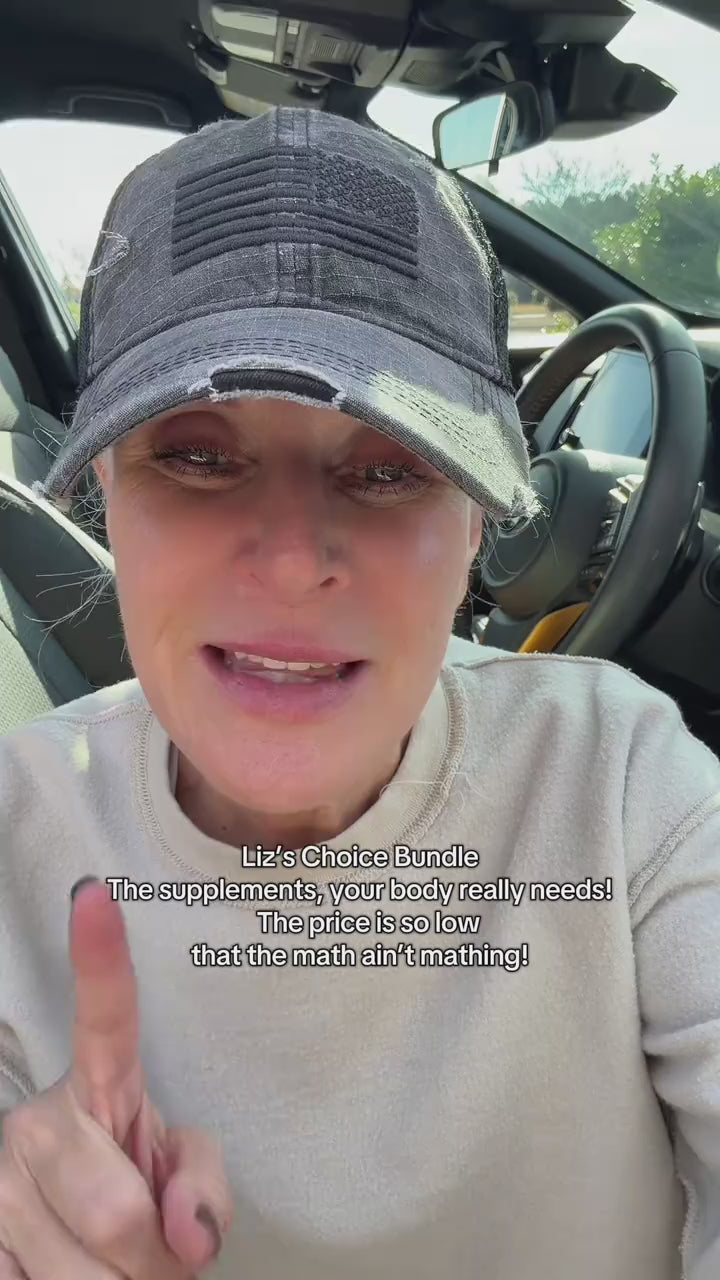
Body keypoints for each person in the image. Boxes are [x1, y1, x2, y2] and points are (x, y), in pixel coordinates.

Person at [0, 104, 718, 1280]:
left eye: (391, 466)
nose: (293, 560)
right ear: (103, 491)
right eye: (197, 454)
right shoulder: (16, 833)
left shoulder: (625, 785)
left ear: (480, 520)